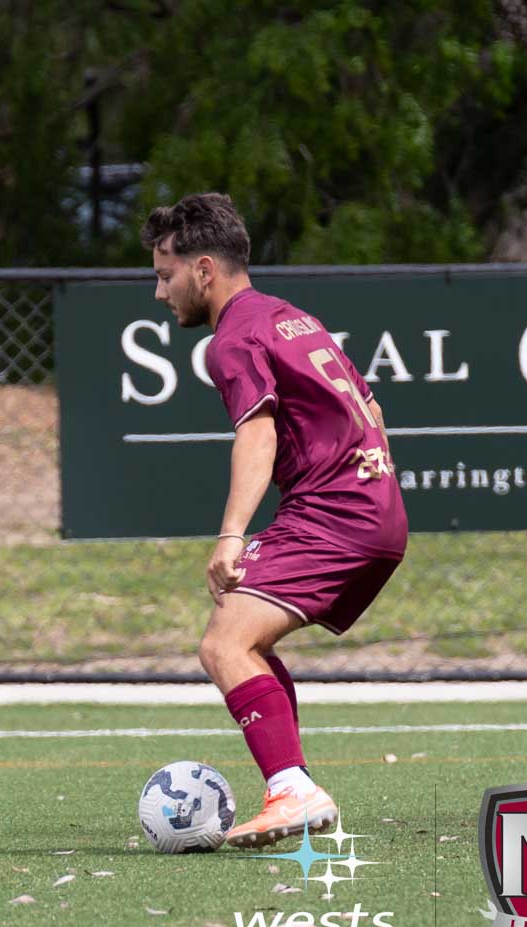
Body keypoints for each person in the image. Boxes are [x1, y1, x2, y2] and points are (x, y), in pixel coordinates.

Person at [141, 193, 407, 848]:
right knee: (246, 640)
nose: (160, 292)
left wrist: (232, 534)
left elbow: (256, 433)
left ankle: (292, 790)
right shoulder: (292, 318)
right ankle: (294, 786)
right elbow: (373, 412)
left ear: (204, 270)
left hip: (335, 514)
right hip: (374, 509)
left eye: (166, 275)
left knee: (222, 646)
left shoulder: (232, 338)